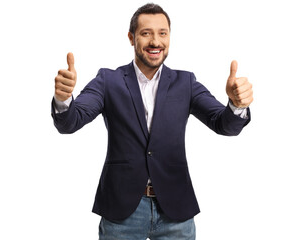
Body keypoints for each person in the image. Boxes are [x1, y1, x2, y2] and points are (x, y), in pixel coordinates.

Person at [51, 3, 253, 240]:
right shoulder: (108, 80)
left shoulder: (185, 83)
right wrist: (63, 99)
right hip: (122, 211)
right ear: (131, 38)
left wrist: (237, 105)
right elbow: (71, 122)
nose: (155, 41)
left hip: (176, 210)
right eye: (146, 33)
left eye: (162, 33)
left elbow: (224, 125)